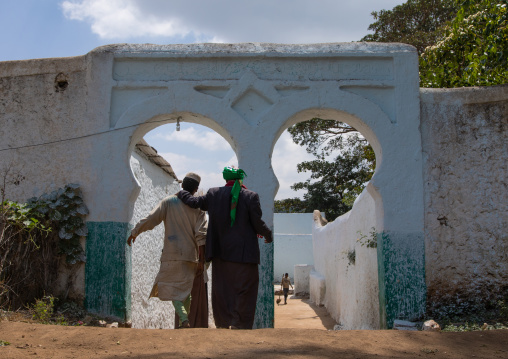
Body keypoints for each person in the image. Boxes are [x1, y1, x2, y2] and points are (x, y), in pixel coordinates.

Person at [177, 166, 273, 330]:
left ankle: (223, 323)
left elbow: (194, 202)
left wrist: (181, 192)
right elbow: (258, 224)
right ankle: (239, 323)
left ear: (225, 178)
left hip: (220, 254)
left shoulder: (214, 194)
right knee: (245, 289)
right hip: (245, 256)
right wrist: (268, 235)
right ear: (241, 179)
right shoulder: (251, 196)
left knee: (222, 290)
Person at [127, 173, 207, 329]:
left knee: (172, 290)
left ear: (182, 184)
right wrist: (201, 261)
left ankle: (184, 319)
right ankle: (185, 321)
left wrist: (135, 232)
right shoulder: (199, 208)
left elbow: (150, 219)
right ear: (196, 189)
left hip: (171, 255)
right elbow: (201, 236)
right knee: (185, 291)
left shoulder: (168, 202)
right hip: (191, 257)